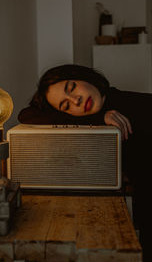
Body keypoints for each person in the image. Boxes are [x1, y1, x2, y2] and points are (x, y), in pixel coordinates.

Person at [18, 64, 152, 261]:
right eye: (66, 106)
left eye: (71, 88)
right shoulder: (96, 119)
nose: (76, 100)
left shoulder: (135, 104)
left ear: (82, 77)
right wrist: (99, 118)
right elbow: (26, 114)